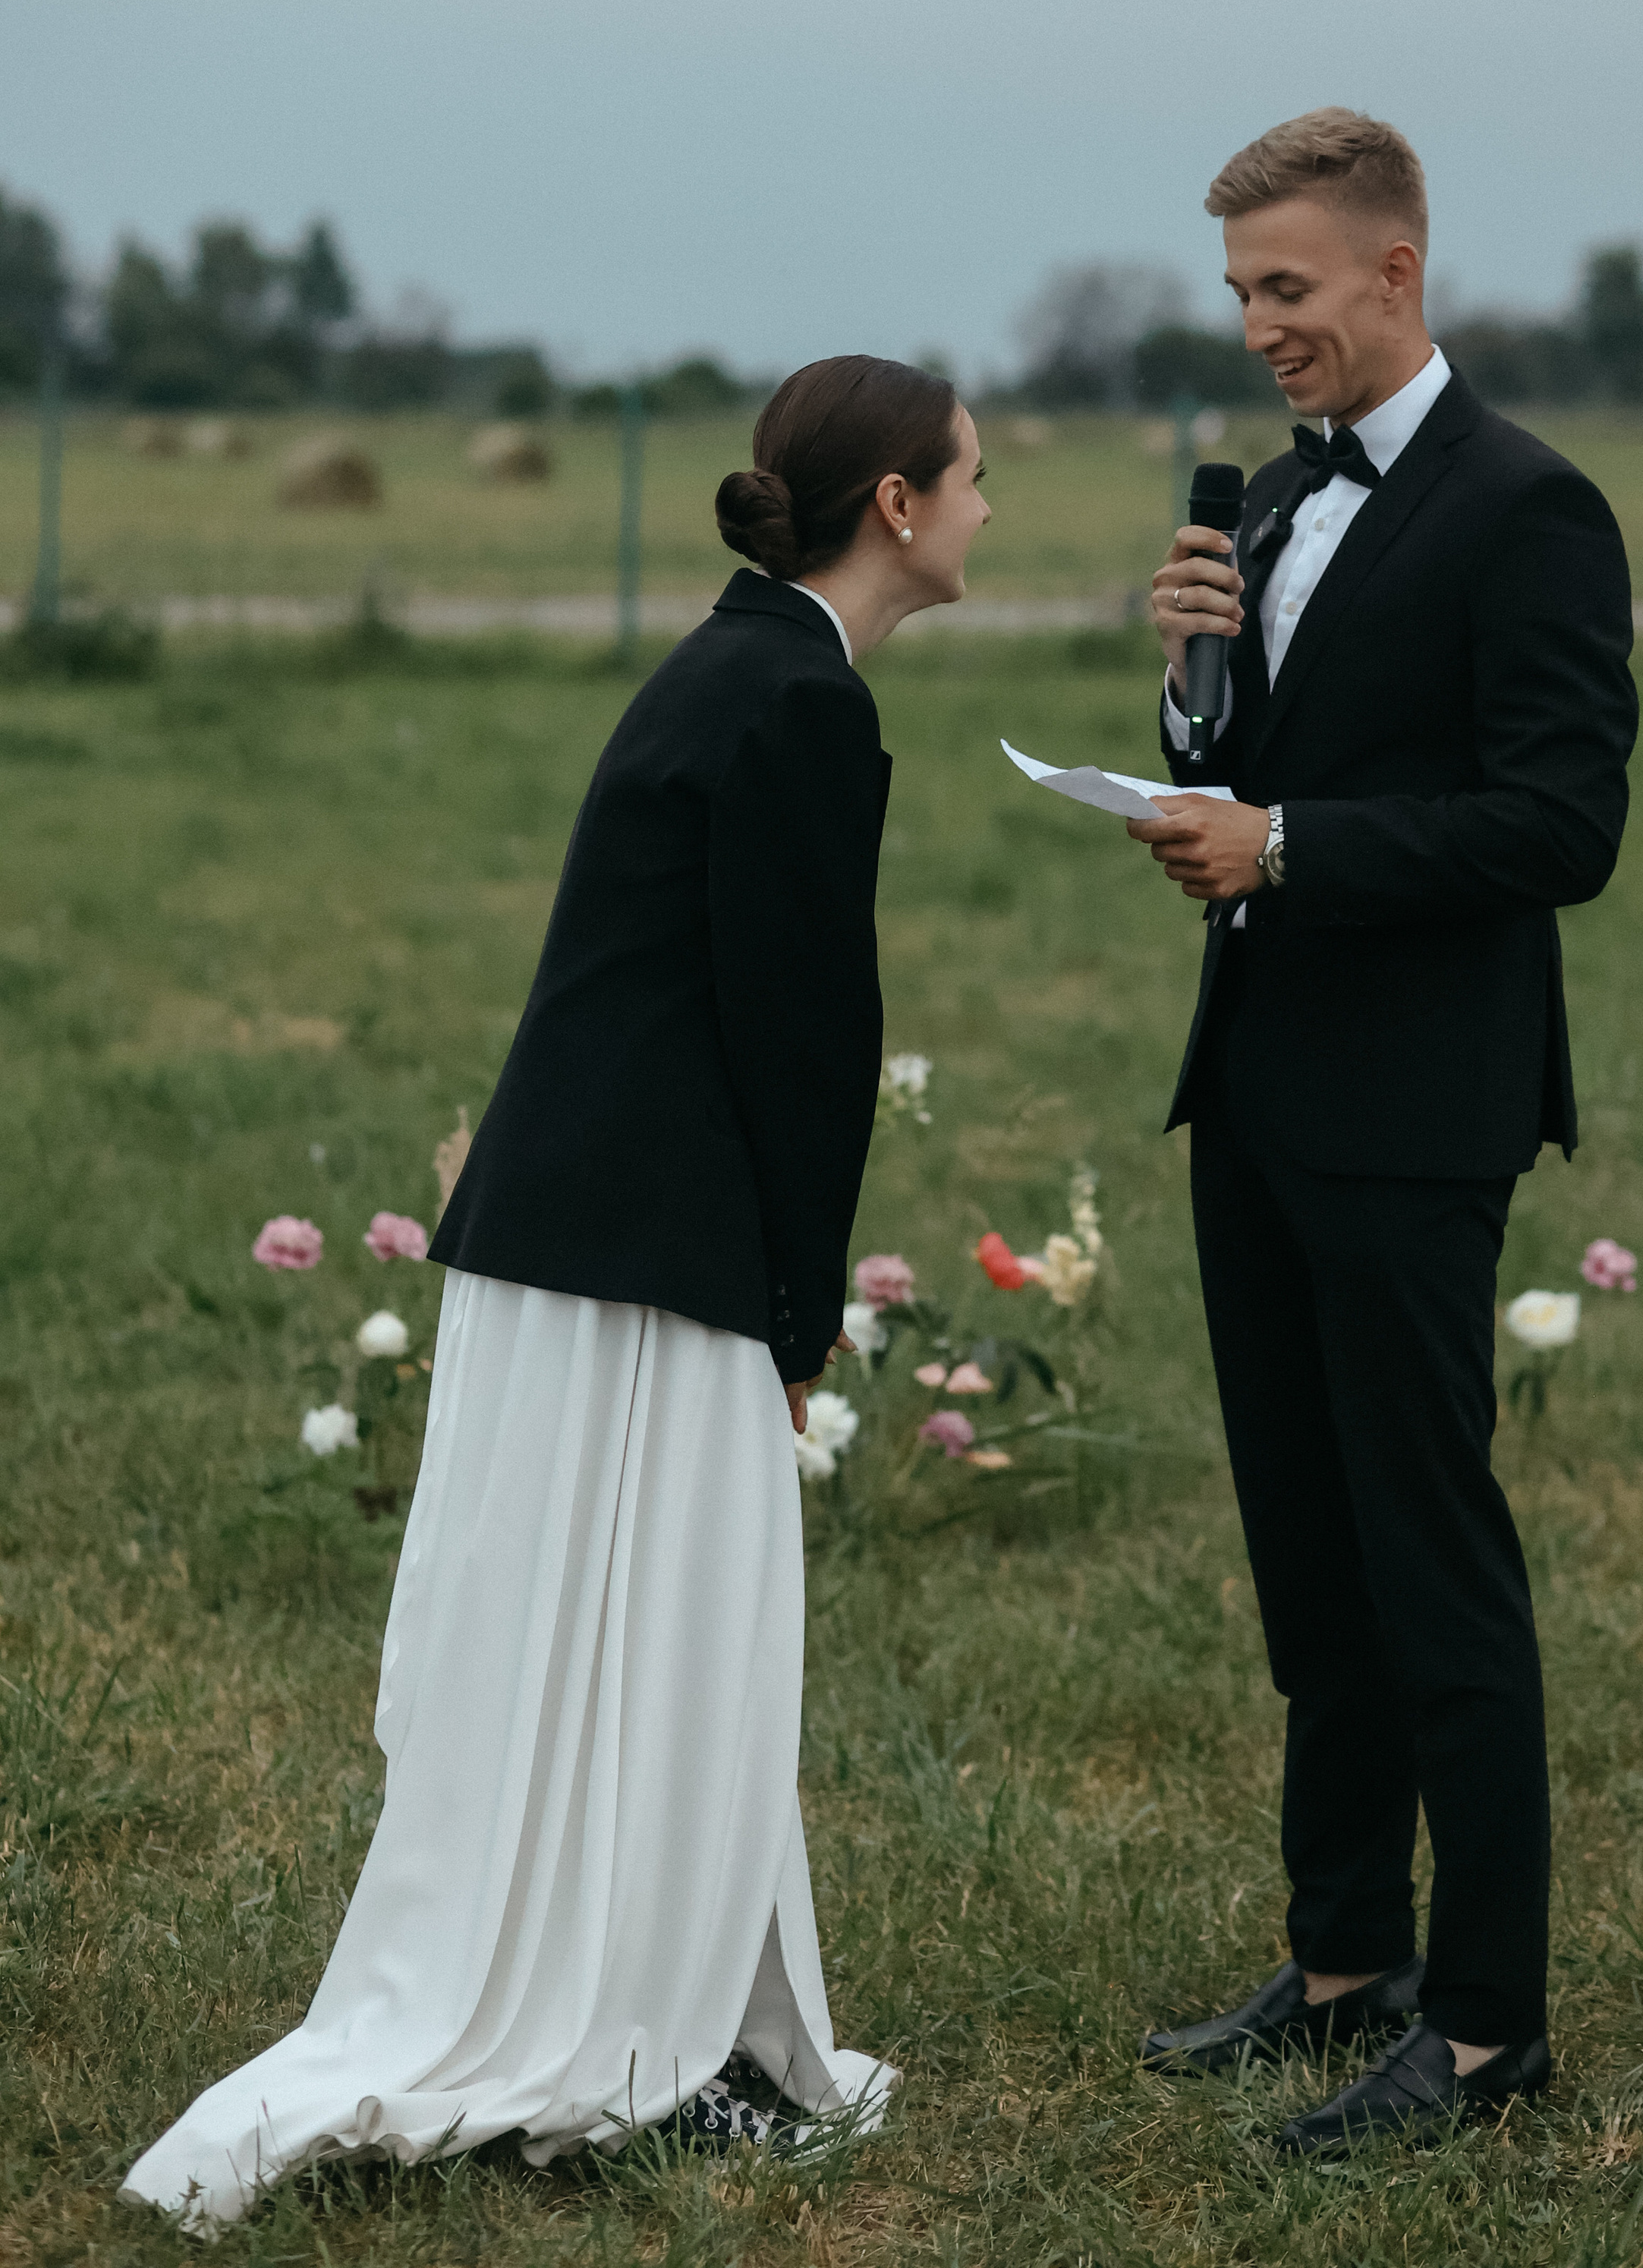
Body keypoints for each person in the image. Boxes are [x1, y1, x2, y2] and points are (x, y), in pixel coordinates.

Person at [124, 355, 990, 2232]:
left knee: (639, 1647)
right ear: (899, 508)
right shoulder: (792, 701)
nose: (992, 510)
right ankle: (639, 2055)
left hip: (578, 1239)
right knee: (686, 1652)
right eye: (973, 479)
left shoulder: (741, 660)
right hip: (650, 1267)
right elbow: (802, 1040)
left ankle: (684, 2029)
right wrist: (797, 1309)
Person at [1128, 110, 1635, 2155]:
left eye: (1289, 289)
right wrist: (1192, 699)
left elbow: (1561, 824)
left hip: (1417, 1119)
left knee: (1432, 1563)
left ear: (1398, 270)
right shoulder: (1263, 513)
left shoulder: (1534, 509)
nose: (1261, 329)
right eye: (1242, 292)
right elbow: (1250, 763)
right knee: (1308, 1558)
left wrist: (1290, 843)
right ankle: (1348, 1963)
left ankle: (1493, 2027)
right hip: (1252, 1098)